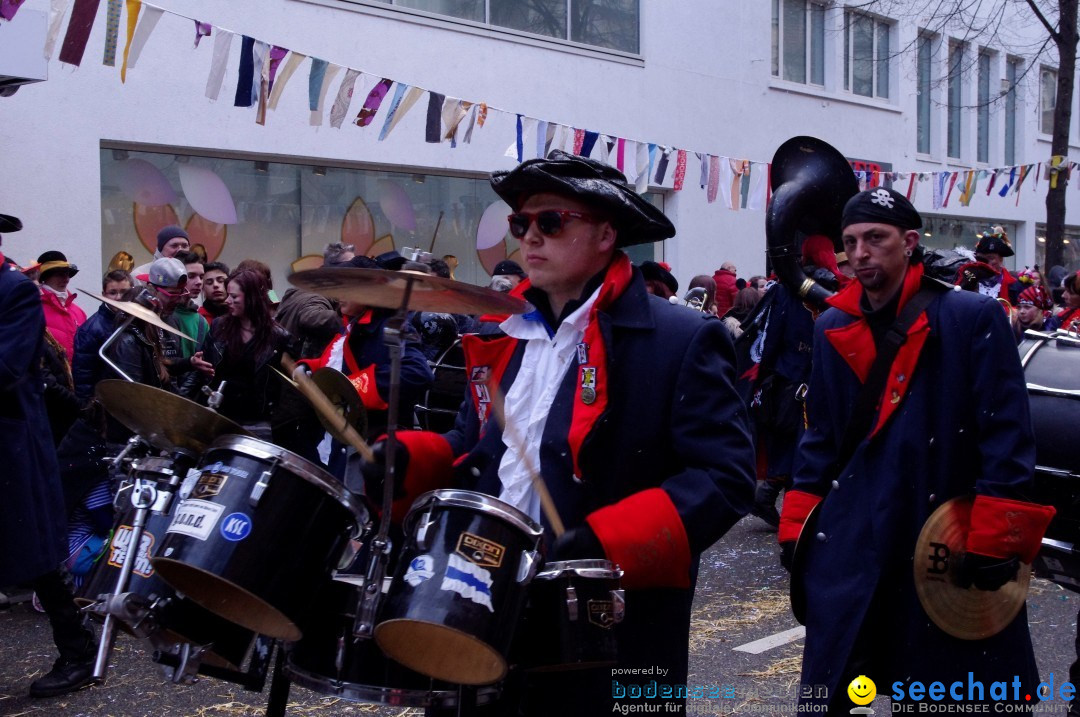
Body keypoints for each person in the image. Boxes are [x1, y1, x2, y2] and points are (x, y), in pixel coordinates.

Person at [365, 151, 755, 716]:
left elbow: (724, 480)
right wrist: (407, 457)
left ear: (605, 233)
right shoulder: (500, 333)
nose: (529, 238)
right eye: (520, 224)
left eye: (551, 222)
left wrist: (605, 543)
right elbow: (472, 447)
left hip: (613, 633)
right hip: (478, 607)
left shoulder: (683, 338)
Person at [779, 188, 1056, 713]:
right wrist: (798, 523)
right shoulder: (831, 325)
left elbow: (1005, 432)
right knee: (833, 689)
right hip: (857, 532)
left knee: (951, 697)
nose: (861, 253)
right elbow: (820, 438)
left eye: (875, 239)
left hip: (943, 535)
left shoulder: (973, 316)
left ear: (909, 243)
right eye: (851, 242)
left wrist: (997, 537)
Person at [0, 213, 97, 698]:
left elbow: (8, 367)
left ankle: (77, 651)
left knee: (34, 552)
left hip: (11, 444)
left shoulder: (15, 290)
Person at [202, 269, 294, 439]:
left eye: (234, 297)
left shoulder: (278, 337)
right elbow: (203, 370)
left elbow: (287, 388)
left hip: (258, 422)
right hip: (219, 414)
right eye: (228, 295)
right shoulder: (219, 327)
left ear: (252, 298)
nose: (228, 301)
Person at [72, 270, 133, 402]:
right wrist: (87, 406)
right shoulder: (91, 329)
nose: (118, 297)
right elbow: (83, 374)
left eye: (124, 292)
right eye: (113, 292)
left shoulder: (137, 321)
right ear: (103, 295)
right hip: (106, 400)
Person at [37, 250, 87, 359]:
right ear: (45, 277)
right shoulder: (34, 309)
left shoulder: (79, 312)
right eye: (59, 274)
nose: (66, 279)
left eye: (67, 274)